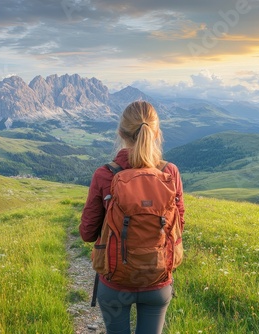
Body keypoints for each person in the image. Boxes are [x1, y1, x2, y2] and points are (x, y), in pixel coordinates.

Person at [79, 100, 185, 334]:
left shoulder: (104, 174)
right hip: (157, 281)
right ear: (157, 133)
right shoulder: (170, 173)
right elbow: (179, 225)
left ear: (121, 133)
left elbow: (87, 234)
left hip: (115, 281)